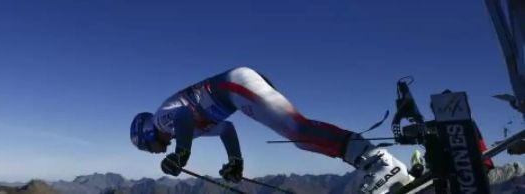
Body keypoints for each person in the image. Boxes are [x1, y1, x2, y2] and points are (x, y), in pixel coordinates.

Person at [130, 67, 413, 194]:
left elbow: (181, 115)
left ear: (146, 134)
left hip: (234, 87)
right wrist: (235, 161)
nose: (155, 151)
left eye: (147, 147)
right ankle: (373, 162)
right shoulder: (184, 129)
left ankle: (381, 164)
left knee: (299, 131)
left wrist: (181, 155)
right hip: (236, 92)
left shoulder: (161, 120)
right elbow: (226, 129)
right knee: (299, 135)